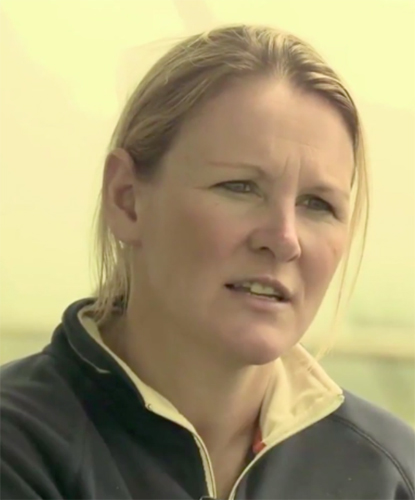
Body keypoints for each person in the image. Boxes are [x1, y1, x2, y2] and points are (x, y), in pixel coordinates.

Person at [1, 23, 414, 500]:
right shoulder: (19, 449)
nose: (284, 239)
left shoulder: (390, 476)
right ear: (126, 199)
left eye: (317, 204)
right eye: (240, 187)